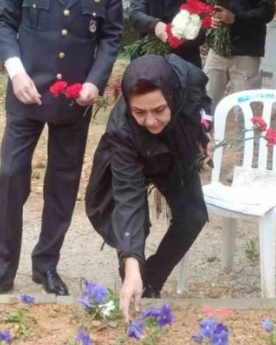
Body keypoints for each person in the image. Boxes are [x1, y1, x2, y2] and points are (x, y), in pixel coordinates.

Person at [0, 0, 125, 296]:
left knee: (62, 183)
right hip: (26, 93)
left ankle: (46, 266)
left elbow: (111, 37)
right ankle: (1, 269)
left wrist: (96, 82)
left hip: (74, 100)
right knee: (11, 177)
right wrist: (15, 71)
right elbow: (4, 22)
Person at [85, 55, 212, 317]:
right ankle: (133, 280)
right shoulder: (122, 130)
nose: (151, 121)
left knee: (193, 215)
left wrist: (204, 132)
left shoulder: (188, 77)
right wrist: (132, 265)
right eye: (139, 112)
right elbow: (127, 198)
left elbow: (201, 103)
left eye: (159, 110)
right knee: (132, 226)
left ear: (172, 95)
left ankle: (150, 280)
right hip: (132, 153)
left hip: (175, 150)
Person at [203, 0, 276, 108]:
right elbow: (206, 6)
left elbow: (267, 12)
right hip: (217, 54)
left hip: (246, 54)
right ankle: (206, 137)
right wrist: (211, 20)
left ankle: (247, 137)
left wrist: (236, 19)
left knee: (246, 113)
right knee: (206, 106)